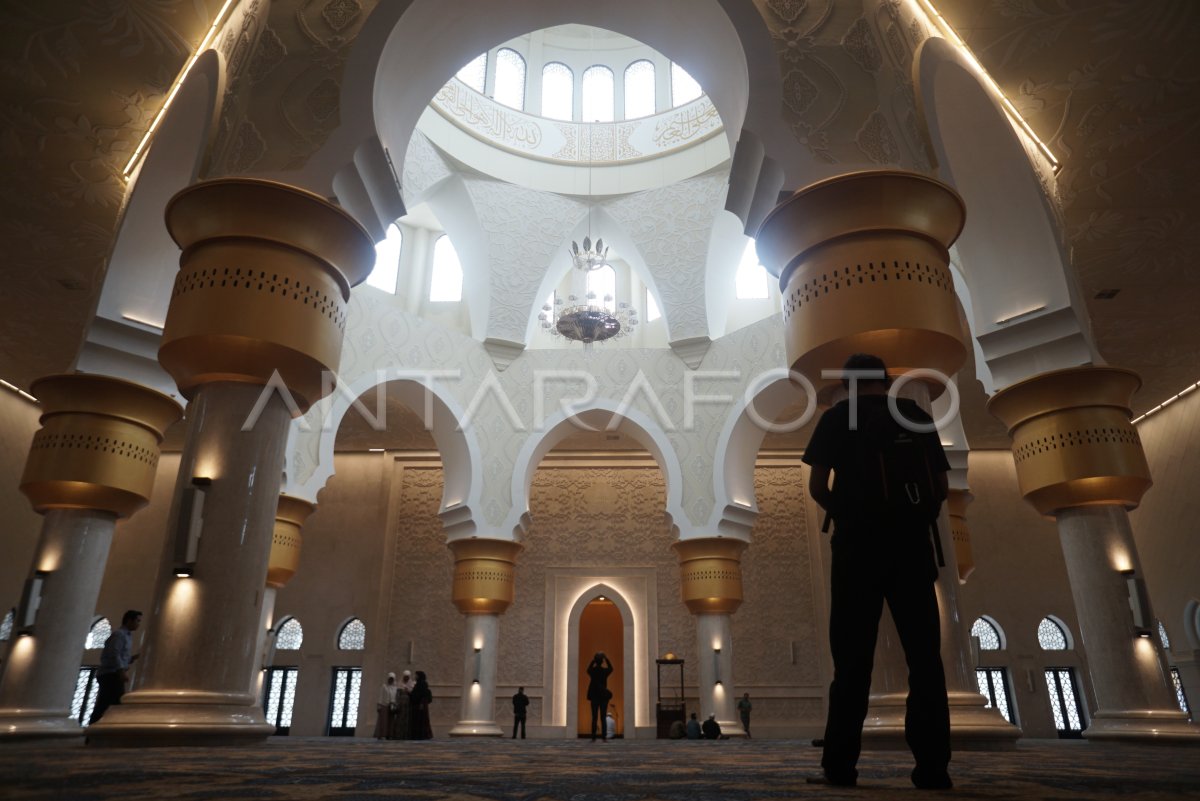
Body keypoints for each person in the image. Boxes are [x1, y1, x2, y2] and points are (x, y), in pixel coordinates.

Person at [802, 353, 952, 790]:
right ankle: (933, 769)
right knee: (925, 660)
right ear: (885, 380)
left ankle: (840, 767)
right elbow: (940, 486)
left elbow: (817, 488)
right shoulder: (914, 414)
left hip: (857, 550)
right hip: (912, 548)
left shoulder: (837, 418)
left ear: (848, 383)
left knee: (851, 663)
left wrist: (849, 512)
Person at [88, 610, 141, 724]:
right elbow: (114, 653)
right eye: (137, 620)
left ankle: (95, 730)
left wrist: (133, 658)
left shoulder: (127, 636)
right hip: (111, 674)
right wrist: (121, 671)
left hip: (113, 674)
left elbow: (121, 656)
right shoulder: (119, 634)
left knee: (107, 703)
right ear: (129, 620)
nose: (138, 624)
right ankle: (95, 730)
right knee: (112, 703)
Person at [585, 651, 613, 741]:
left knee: (594, 717)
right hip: (603, 697)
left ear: (596, 661)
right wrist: (606, 659)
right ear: (602, 661)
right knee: (603, 717)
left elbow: (588, 669)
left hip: (594, 696)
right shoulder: (604, 671)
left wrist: (593, 661)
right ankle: (604, 737)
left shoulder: (593, 671)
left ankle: (593, 737)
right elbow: (611, 668)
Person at [409, 670, 433, 739]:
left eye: (416, 675)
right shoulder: (421, 683)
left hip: (420, 705)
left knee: (420, 720)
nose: (415, 676)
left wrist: (410, 693)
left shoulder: (421, 684)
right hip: (420, 705)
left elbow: (419, 694)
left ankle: (421, 735)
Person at [374, 672, 398, 740]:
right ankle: (383, 735)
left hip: (392, 706)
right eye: (390, 679)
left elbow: (395, 697)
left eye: (392, 679)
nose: (391, 680)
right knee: (384, 721)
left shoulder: (395, 688)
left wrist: (394, 704)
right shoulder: (384, 686)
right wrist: (379, 705)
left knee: (391, 721)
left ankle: (390, 735)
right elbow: (381, 696)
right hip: (384, 705)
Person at [393, 670, 413, 739]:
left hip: (408, 705)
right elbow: (397, 695)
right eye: (405, 677)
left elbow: (412, 694)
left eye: (407, 677)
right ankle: (398, 735)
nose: (406, 678)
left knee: (406, 719)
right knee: (399, 719)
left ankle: (405, 735)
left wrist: (408, 691)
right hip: (401, 704)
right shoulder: (399, 684)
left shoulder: (411, 684)